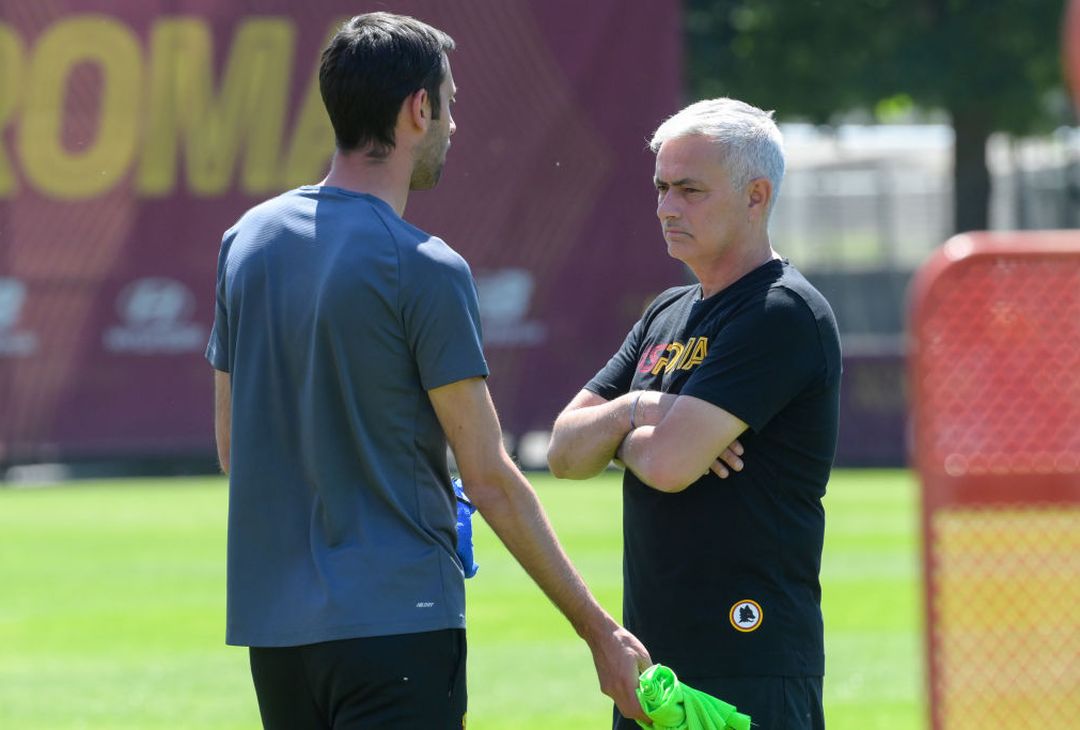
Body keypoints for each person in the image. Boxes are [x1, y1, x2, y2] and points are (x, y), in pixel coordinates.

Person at [205, 12, 650, 729]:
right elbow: (492, 480)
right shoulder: (424, 266)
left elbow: (235, 451)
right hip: (398, 626)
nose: (453, 125)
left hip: (277, 637)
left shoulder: (245, 241)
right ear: (419, 108)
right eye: (451, 103)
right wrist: (601, 632)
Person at [547, 98, 841, 730]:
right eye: (660, 187)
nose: (665, 207)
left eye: (689, 189)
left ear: (756, 195)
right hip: (654, 670)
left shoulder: (780, 312)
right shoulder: (665, 312)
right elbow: (564, 453)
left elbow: (670, 463)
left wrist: (627, 437)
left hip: (748, 662)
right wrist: (642, 407)